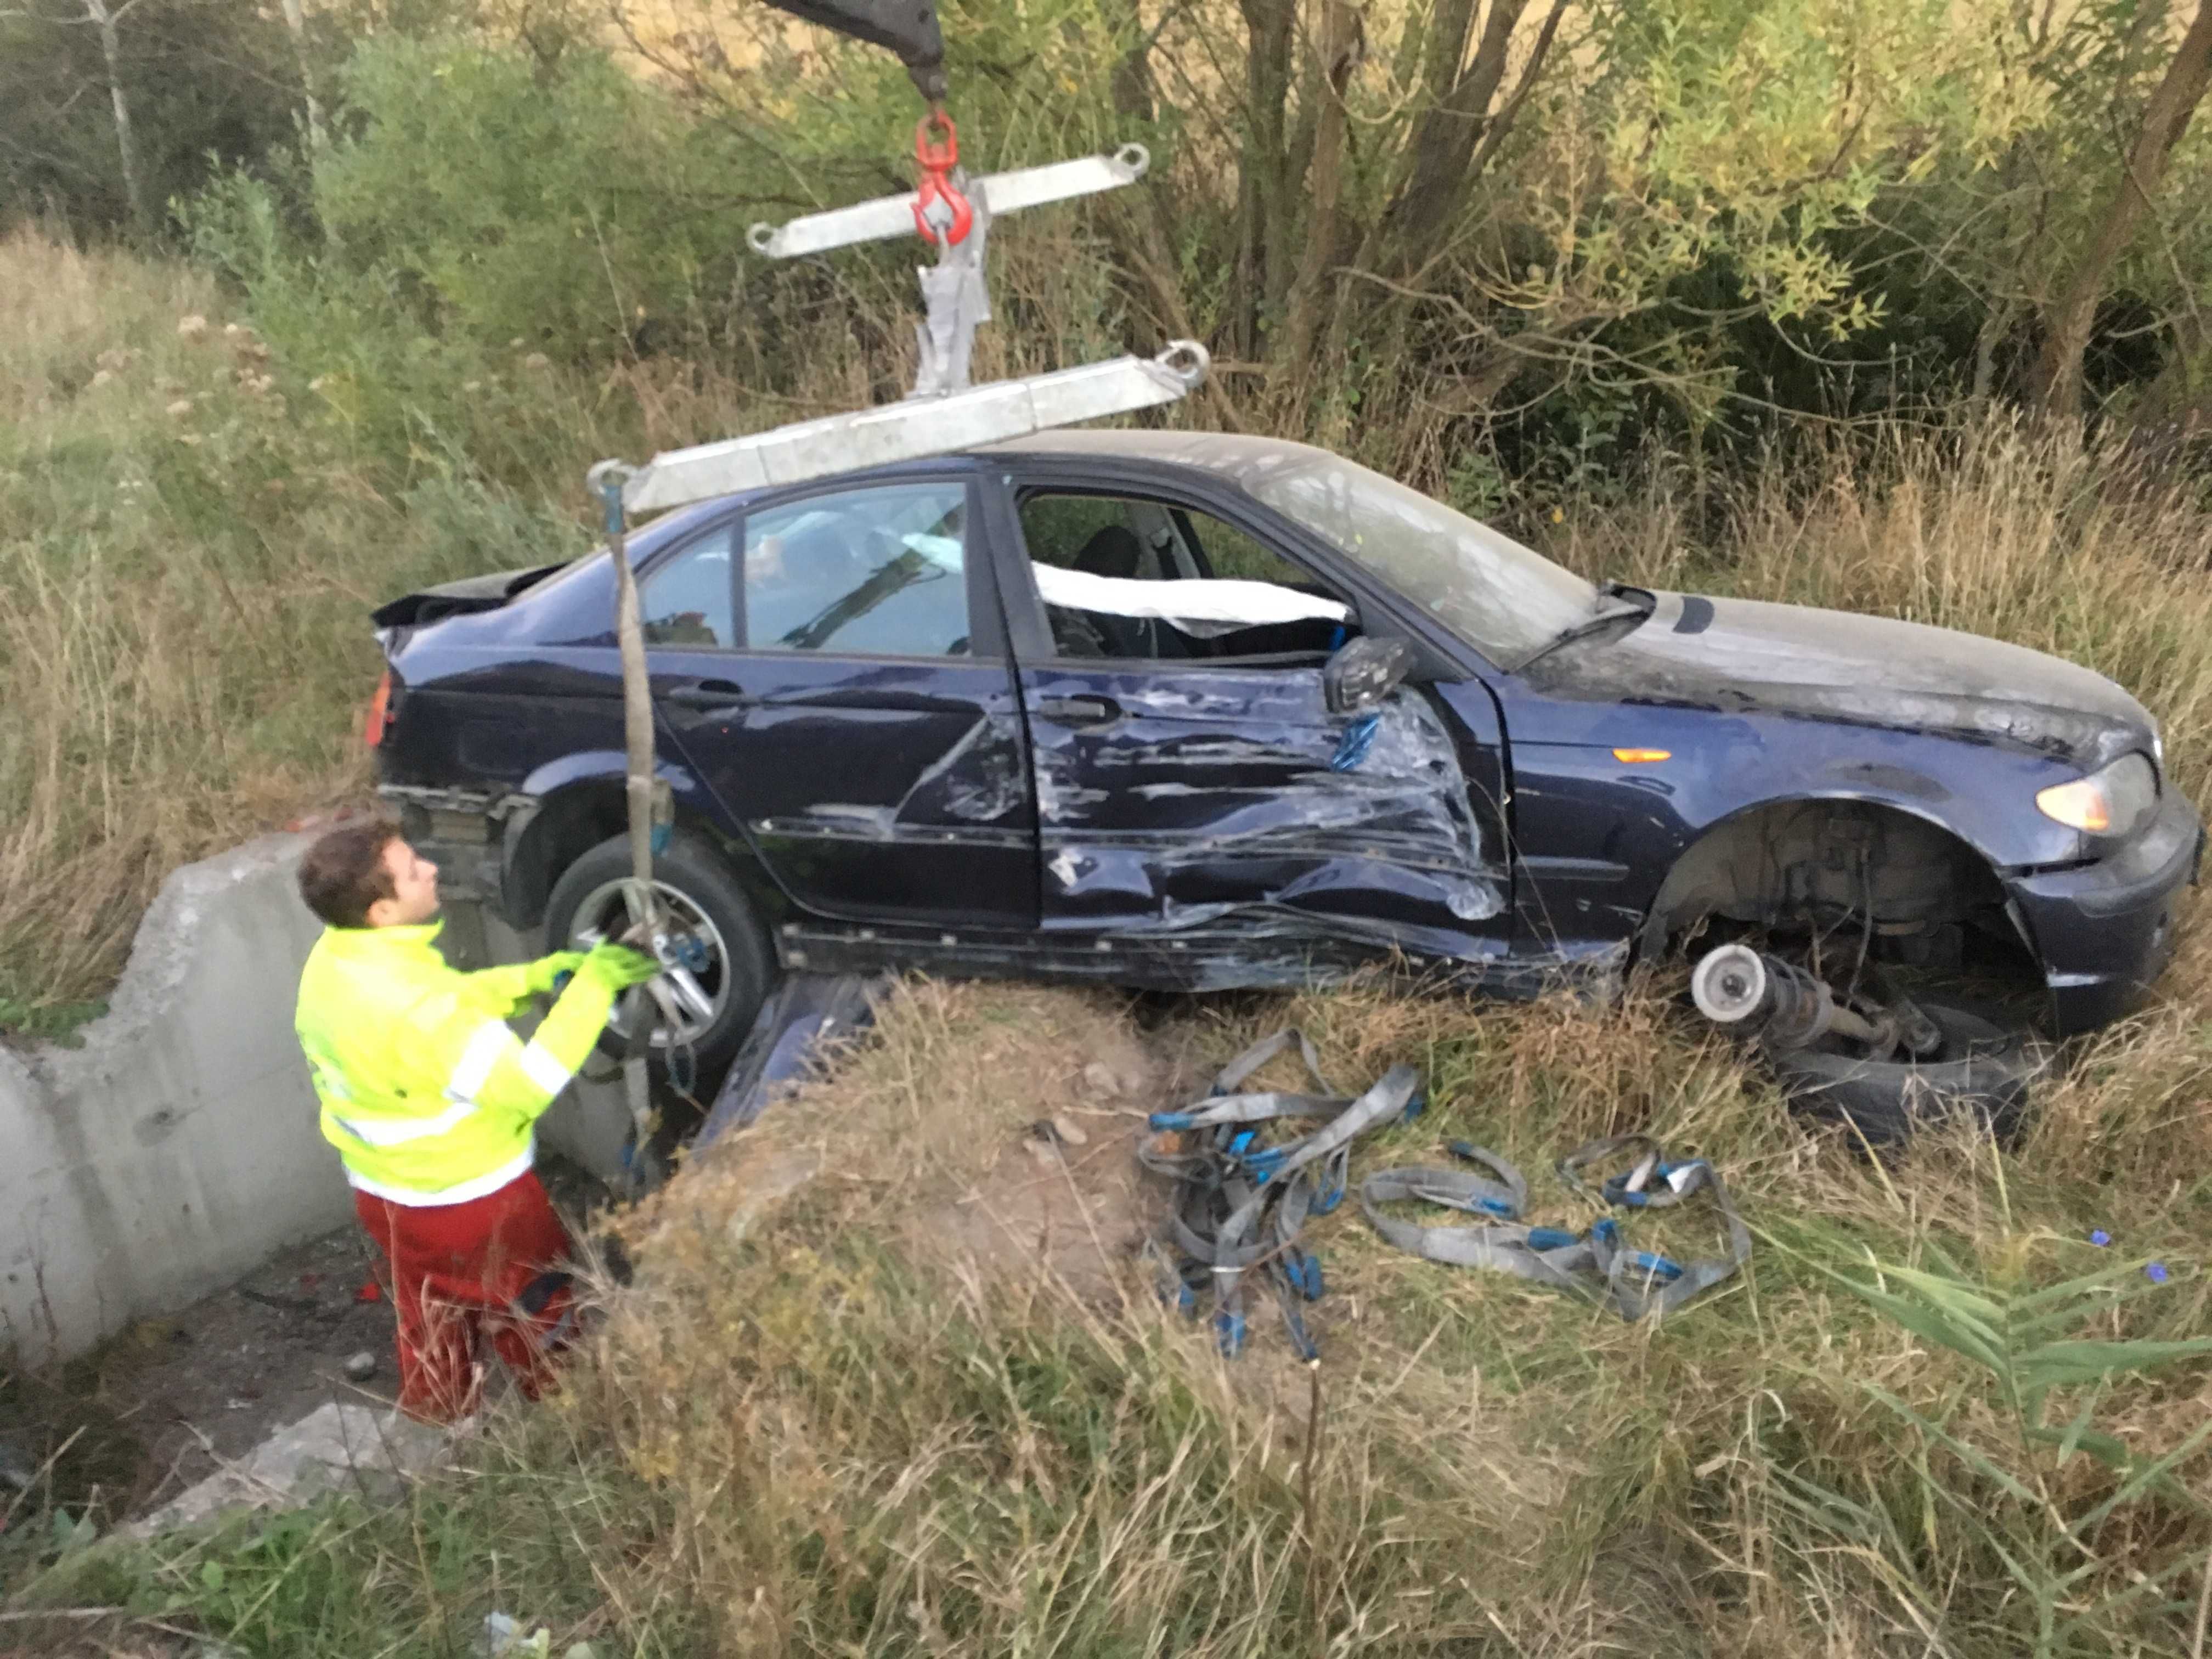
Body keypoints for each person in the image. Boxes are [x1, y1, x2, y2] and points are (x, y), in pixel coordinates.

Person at [291, 819, 660, 1424]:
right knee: (536, 1308)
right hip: (475, 1205)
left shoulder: (337, 960)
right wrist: (592, 988)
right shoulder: (422, 1012)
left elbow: (439, 1003)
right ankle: (575, 1421)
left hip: (386, 1197)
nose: (431, 869)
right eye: (414, 872)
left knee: (430, 1311)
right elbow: (528, 1086)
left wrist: (533, 981)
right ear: (383, 910)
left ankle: (436, 1425)